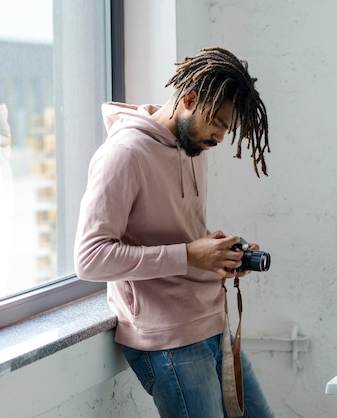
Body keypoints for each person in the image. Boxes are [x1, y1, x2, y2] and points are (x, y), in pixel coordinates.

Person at [74, 47, 275, 418]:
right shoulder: (123, 154)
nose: (218, 137)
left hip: (213, 322)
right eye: (215, 122)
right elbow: (90, 259)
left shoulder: (192, 146)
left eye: (226, 129)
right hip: (169, 340)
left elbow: (183, 234)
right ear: (189, 99)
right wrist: (190, 255)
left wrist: (220, 255)